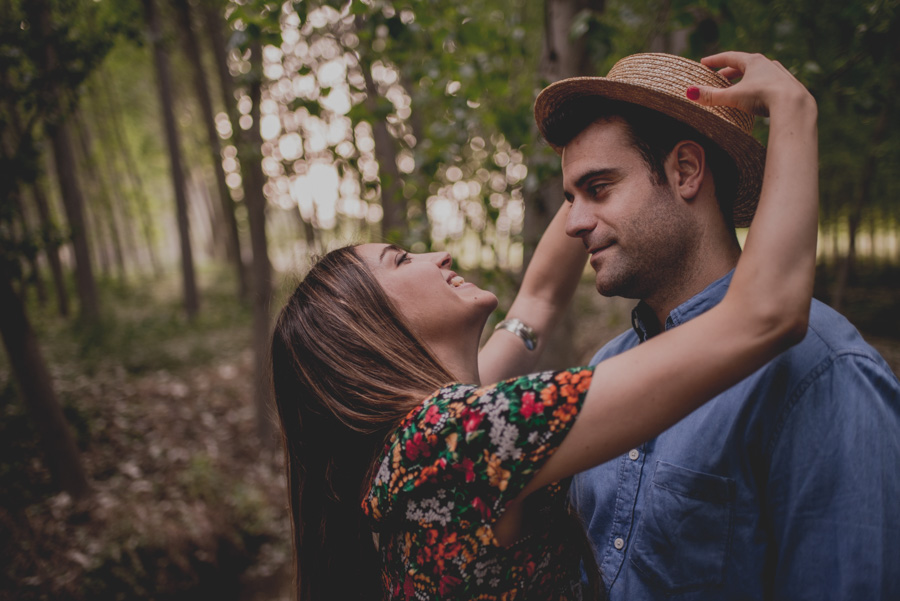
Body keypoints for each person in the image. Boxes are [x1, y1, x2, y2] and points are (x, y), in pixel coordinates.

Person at [271, 51, 819, 601]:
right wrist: (793, 110)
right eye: (400, 260)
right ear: (370, 330)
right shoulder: (452, 442)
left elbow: (536, 302)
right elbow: (765, 314)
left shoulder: (435, 428)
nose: (435, 255)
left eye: (594, 191)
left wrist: (606, 148)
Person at [534, 52, 900, 600]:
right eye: (570, 198)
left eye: (599, 188)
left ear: (685, 171)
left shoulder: (821, 373)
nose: (574, 223)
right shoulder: (605, 370)